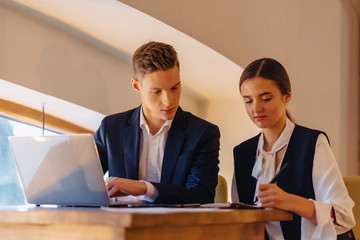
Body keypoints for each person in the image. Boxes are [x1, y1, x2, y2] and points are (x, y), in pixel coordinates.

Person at [232, 58, 355, 239]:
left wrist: (291, 202)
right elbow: (238, 220)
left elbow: (343, 217)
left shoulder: (313, 143)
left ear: (287, 96)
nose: (256, 108)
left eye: (266, 98)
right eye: (248, 101)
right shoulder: (242, 153)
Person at [94, 41, 220, 204]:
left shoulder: (203, 133)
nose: (168, 101)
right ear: (136, 85)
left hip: (176, 227)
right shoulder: (110, 129)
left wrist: (145, 188)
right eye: (157, 91)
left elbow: (201, 195)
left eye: (175, 88)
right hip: (121, 226)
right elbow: (83, 186)